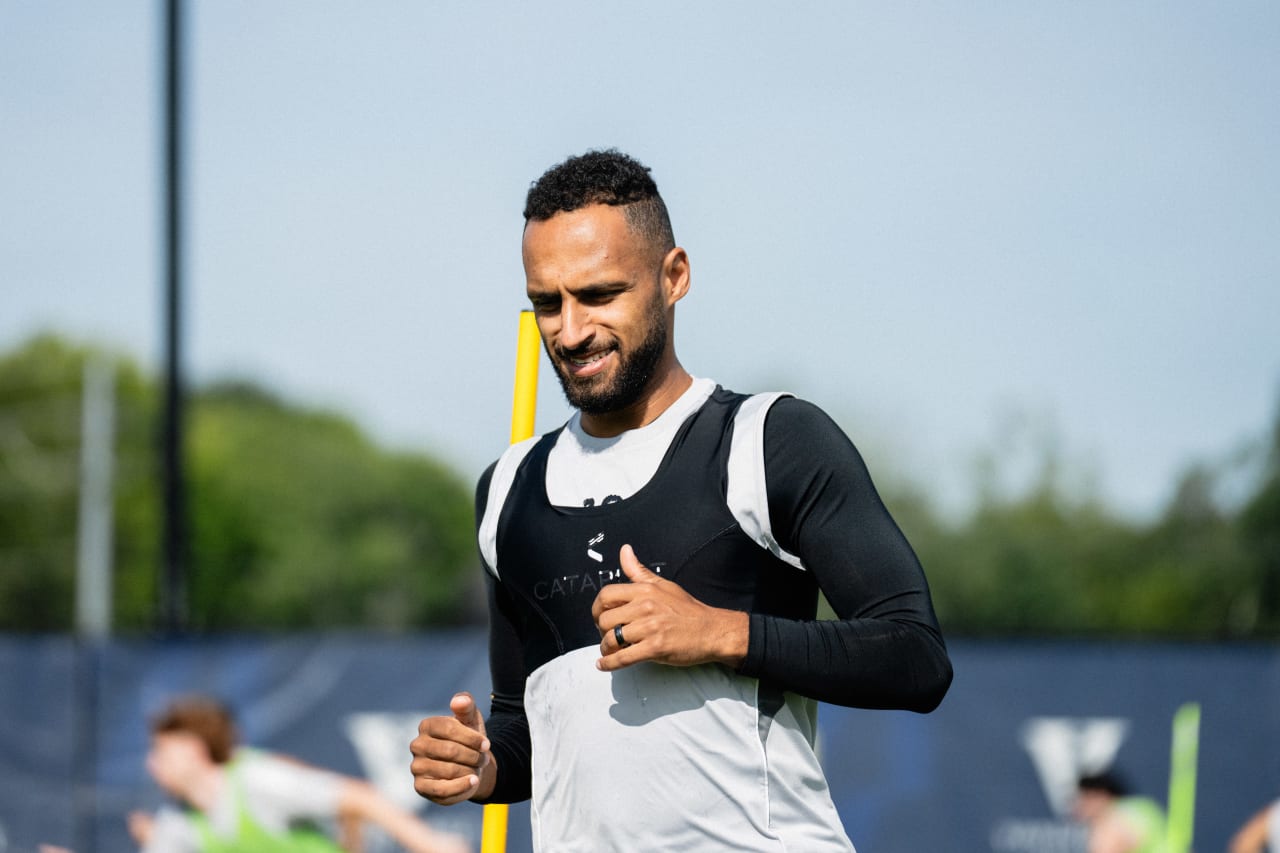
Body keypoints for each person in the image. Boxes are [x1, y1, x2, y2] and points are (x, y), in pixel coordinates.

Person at [410, 149, 953, 851]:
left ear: (674, 277)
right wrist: (483, 765)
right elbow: (526, 726)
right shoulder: (507, 488)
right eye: (548, 301)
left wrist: (720, 632)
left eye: (599, 294)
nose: (570, 331)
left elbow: (916, 655)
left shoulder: (770, 439)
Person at [131, 694, 470, 853]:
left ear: (194, 749)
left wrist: (429, 844)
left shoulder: (256, 779)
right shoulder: (177, 822)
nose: (151, 764)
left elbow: (360, 798)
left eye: (161, 751)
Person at [1072, 771, 1167, 853]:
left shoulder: (1112, 819)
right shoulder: (1142, 807)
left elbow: (1109, 848)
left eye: (1086, 798)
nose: (1080, 805)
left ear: (1102, 795)